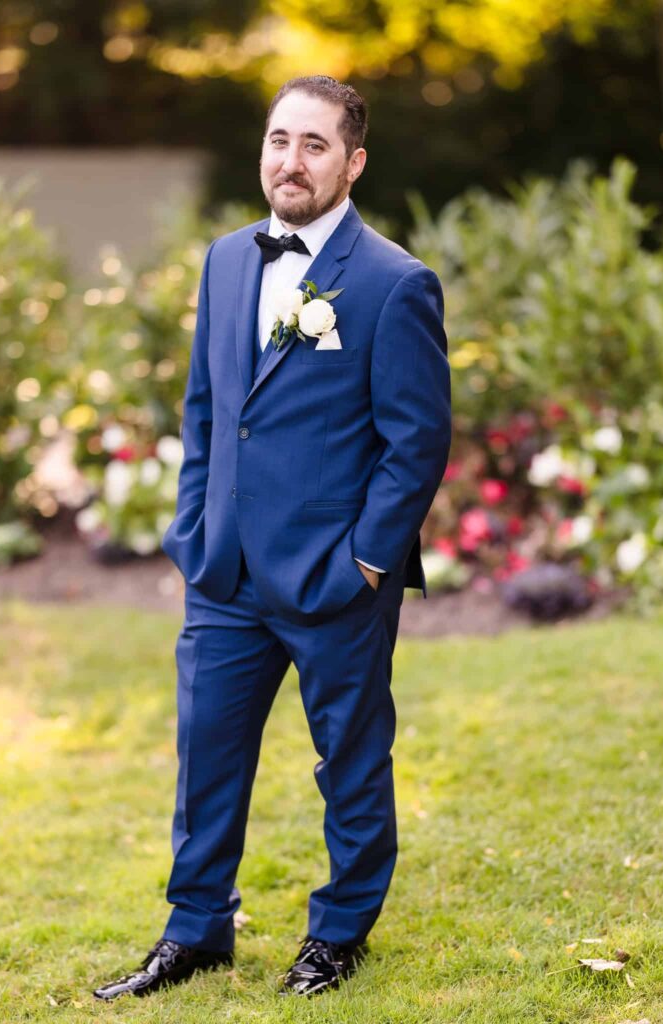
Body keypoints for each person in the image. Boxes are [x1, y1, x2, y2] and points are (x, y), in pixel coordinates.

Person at [93, 74, 452, 1001]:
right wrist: (192, 528)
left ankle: (338, 934)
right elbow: (210, 408)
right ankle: (195, 930)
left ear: (353, 162)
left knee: (351, 763)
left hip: (336, 578)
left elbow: (415, 441)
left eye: (314, 145)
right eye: (277, 140)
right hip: (223, 574)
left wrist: (366, 562)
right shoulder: (224, 260)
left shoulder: (394, 283)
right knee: (204, 756)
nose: (289, 162)